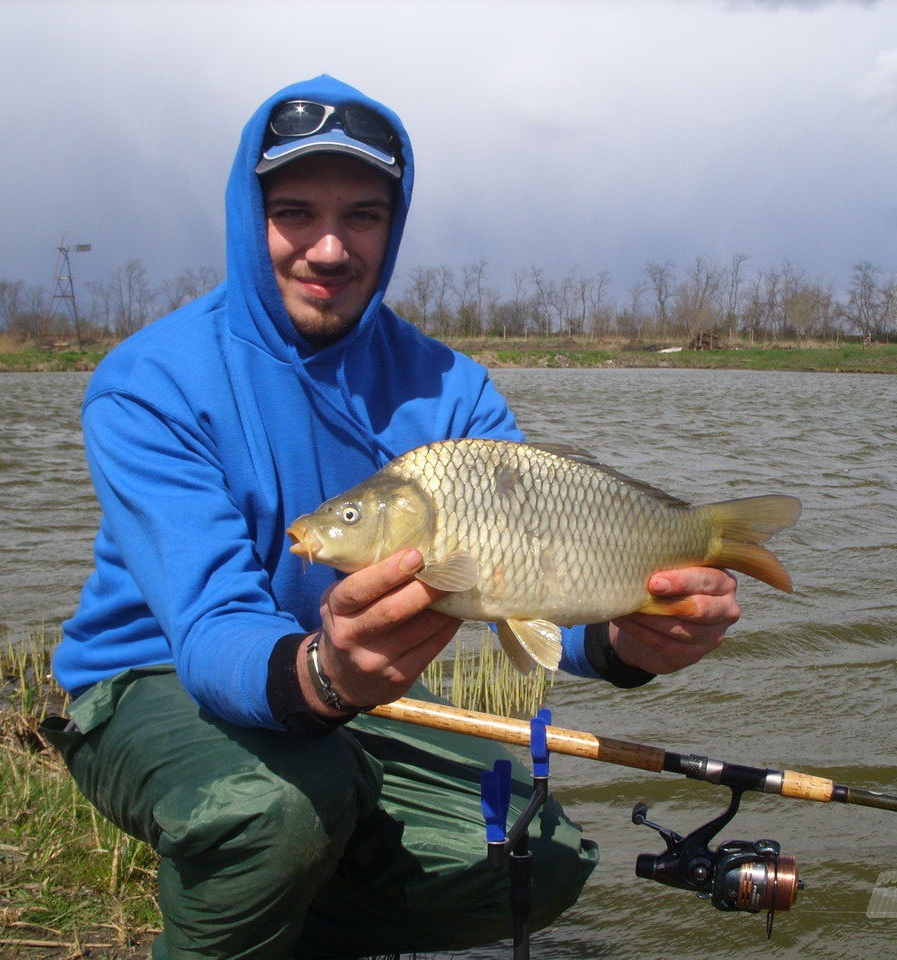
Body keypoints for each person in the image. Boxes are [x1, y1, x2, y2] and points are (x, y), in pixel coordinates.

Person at [44, 74, 740, 960]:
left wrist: (626, 643)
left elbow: (531, 587)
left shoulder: (452, 388)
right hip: (152, 681)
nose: (329, 248)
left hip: (338, 691)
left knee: (536, 858)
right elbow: (213, 624)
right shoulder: (150, 382)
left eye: (363, 216)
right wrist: (325, 678)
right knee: (278, 809)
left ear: (394, 224)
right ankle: (254, 883)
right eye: (296, 211)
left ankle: (289, 914)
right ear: (246, 217)